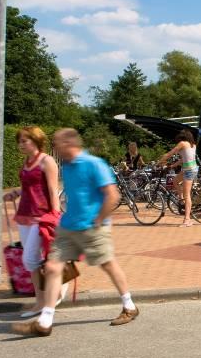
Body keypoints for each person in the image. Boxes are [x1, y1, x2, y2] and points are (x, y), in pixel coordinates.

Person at [12, 128, 139, 337]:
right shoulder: (67, 167)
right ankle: (45, 321)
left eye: (57, 144)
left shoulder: (94, 164)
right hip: (68, 226)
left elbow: (112, 196)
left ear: (69, 144)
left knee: (107, 264)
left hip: (92, 226)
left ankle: (130, 306)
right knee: (53, 267)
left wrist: (98, 220)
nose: (54, 147)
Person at [4, 126, 68, 318]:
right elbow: (29, 187)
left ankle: (49, 294)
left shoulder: (47, 161)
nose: (21, 144)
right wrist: (15, 192)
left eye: (25, 140)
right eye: (20, 141)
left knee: (30, 259)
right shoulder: (26, 161)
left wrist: (55, 215)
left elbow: (52, 189)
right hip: (24, 214)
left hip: (42, 216)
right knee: (33, 259)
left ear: (36, 140)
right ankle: (42, 300)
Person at [158, 130, 198, 227]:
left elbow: (170, 153)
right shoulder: (193, 145)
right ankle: (181, 199)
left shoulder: (182, 143)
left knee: (187, 195)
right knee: (175, 181)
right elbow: (182, 159)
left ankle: (187, 220)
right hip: (189, 168)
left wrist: (160, 161)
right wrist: (172, 166)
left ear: (181, 137)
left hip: (189, 170)